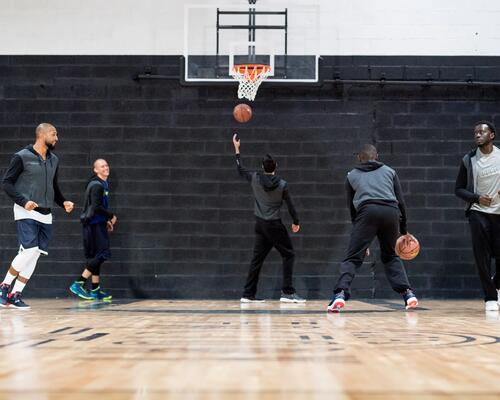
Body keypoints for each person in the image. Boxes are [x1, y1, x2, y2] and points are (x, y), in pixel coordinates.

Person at [328, 144, 418, 312]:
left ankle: (339, 294)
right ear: (377, 156)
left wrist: (362, 238)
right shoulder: (390, 171)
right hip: (391, 212)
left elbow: (351, 208)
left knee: (353, 257)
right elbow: (401, 202)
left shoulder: (351, 175)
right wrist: (404, 230)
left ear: (359, 159)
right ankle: (408, 293)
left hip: (367, 212)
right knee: (390, 255)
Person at [0, 123, 74, 309]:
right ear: (41, 135)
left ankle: (15, 294)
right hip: (26, 211)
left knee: (33, 256)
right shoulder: (22, 157)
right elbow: (7, 183)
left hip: (46, 214)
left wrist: (63, 201)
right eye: (54, 134)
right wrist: (24, 201)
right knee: (30, 249)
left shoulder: (54, 159)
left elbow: (53, 187)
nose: (57, 138)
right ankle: (4, 286)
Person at [232, 134, 305, 303]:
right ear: (276, 167)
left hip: (260, 225)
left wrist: (237, 150)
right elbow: (290, 205)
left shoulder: (255, 178)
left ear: (262, 166)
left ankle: (247, 294)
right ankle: (287, 293)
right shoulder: (282, 184)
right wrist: (296, 222)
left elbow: (240, 169)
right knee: (289, 255)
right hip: (274, 225)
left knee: (256, 260)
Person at [455, 121, 500, 312]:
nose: (477, 135)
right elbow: (458, 189)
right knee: (482, 257)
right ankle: (490, 297)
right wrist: (477, 198)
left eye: (482, 132)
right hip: (478, 212)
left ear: (492, 135)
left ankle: (495, 283)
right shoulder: (469, 159)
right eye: (475, 133)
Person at [69, 159, 117, 301]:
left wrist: (106, 220)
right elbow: (96, 207)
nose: (106, 168)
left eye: (107, 165)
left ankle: (95, 290)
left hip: (96, 223)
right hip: (93, 225)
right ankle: (79, 283)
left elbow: (95, 207)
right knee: (103, 254)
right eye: (102, 166)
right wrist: (111, 216)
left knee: (96, 257)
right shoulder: (97, 185)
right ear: (96, 170)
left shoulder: (101, 183)